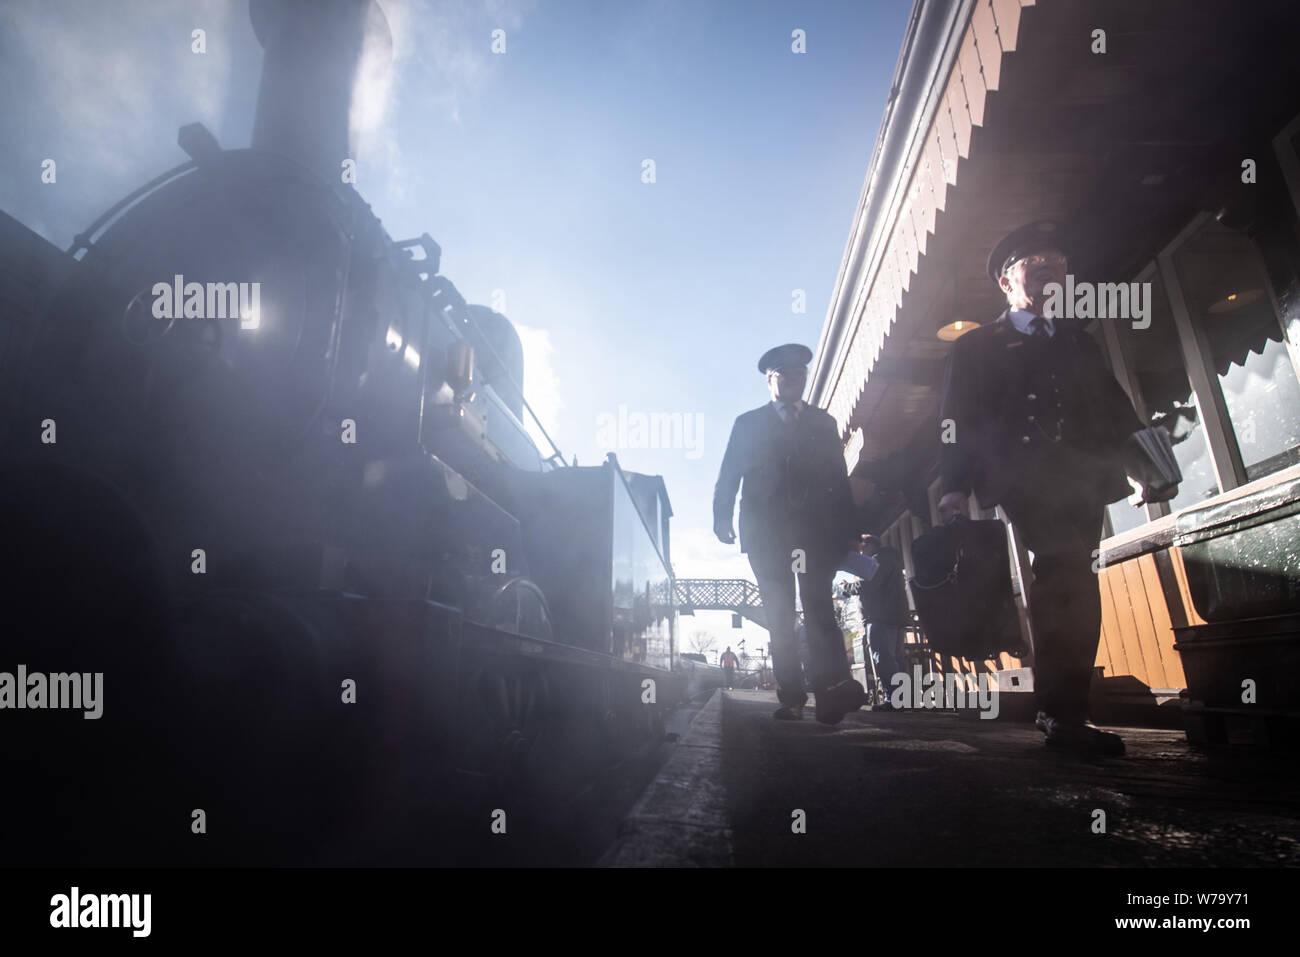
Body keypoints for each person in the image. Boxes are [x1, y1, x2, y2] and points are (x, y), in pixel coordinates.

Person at [937, 220, 1173, 756]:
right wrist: (954, 485)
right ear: (1006, 281)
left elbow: (1115, 412)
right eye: (1034, 263)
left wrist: (1146, 468)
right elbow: (956, 420)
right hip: (1024, 480)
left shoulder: (1076, 341)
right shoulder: (976, 348)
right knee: (1063, 569)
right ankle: (1063, 713)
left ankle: (1066, 710)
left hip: (1084, 477)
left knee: (1078, 581)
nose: (1049, 270)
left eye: (1058, 263)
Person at [714, 343, 869, 725]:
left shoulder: (823, 423)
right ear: (771, 379)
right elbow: (729, 473)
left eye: (800, 374)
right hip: (766, 536)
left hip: (815, 535)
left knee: (819, 609)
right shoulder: (747, 424)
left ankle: (830, 691)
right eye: (786, 374)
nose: (795, 380)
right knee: (780, 616)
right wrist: (722, 518)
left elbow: (838, 479)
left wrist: (851, 532)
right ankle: (793, 698)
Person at [857, 534, 908, 710]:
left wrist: (848, 588)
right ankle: (902, 699)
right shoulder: (891, 560)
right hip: (895, 615)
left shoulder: (876, 561)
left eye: (861, 548)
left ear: (869, 545)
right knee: (896, 658)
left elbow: (868, 585)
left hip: (880, 616)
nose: (860, 553)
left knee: (883, 658)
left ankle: (893, 699)